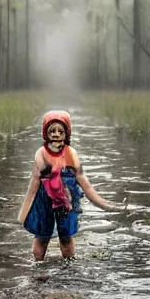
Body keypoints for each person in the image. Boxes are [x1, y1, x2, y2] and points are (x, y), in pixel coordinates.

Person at [18, 110, 121, 261]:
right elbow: (34, 183)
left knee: (66, 236)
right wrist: (24, 213)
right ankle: (38, 265)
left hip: (67, 201)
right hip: (44, 199)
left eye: (60, 131)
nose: (56, 134)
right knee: (42, 236)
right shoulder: (41, 153)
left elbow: (83, 181)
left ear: (67, 134)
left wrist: (104, 203)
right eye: (52, 131)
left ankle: (69, 266)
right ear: (45, 134)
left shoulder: (71, 153)